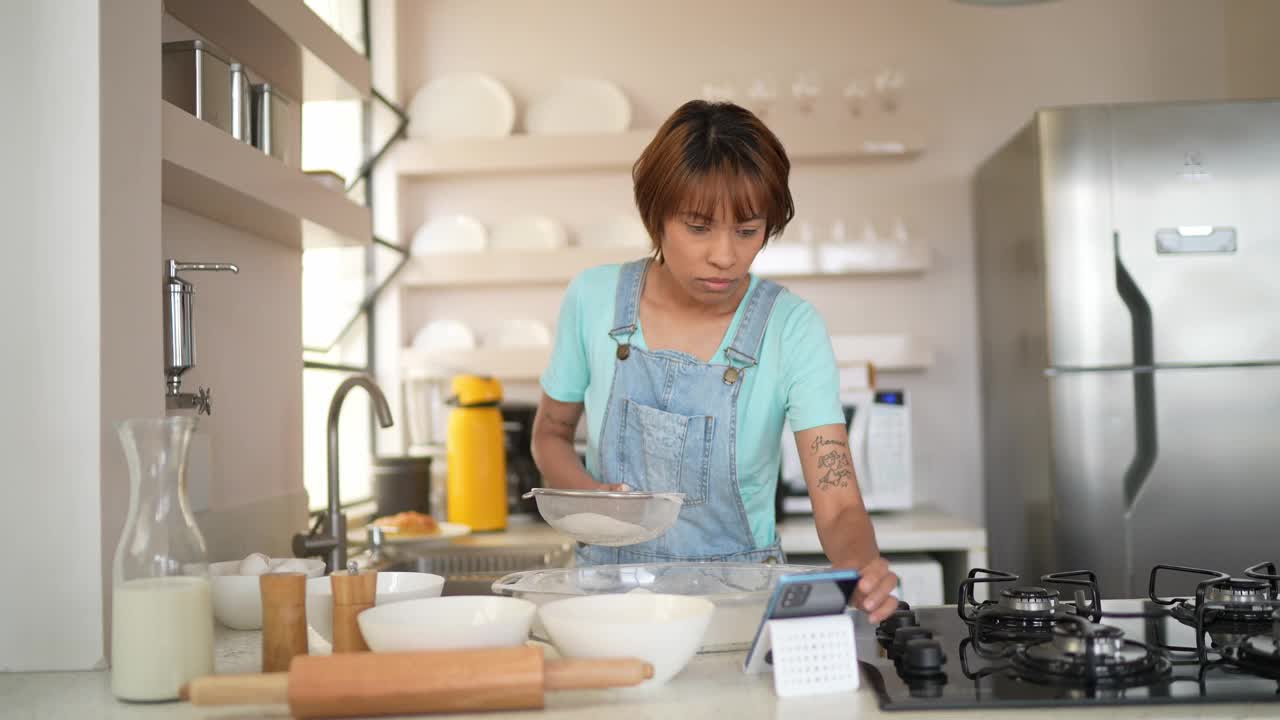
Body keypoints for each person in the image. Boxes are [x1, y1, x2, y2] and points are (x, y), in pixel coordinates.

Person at [531, 99, 899, 622]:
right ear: (656, 215)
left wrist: (864, 567)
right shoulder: (592, 299)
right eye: (699, 227)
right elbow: (551, 431)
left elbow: (838, 503)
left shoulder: (791, 327)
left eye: (747, 230)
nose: (725, 255)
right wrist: (598, 502)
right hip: (604, 603)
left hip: (737, 605)